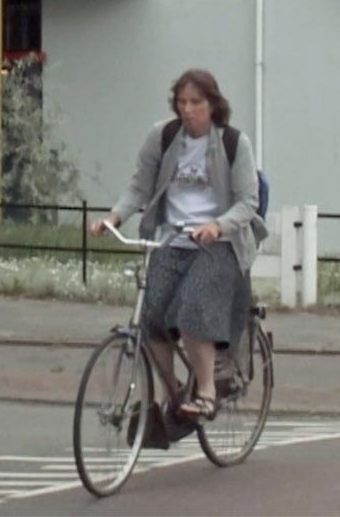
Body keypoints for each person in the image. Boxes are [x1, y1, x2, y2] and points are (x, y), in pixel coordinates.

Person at [91, 69, 266, 422]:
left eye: (196, 102)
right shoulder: (163, 137)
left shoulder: (234, 143)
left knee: (192, 306)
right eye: (182, 102)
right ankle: (172, 392)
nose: (187, 110)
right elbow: (139, 186)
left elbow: (248, 202)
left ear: (212, 105)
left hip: (220, 243)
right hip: (171, 238)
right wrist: (114, 218)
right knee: (151, 314)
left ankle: (205, 392)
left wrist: (217, 225)